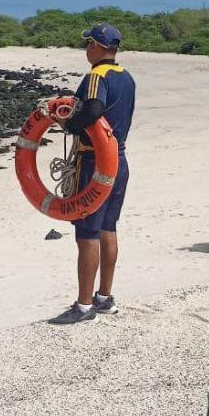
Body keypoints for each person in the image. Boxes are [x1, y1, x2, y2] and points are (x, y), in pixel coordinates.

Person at [49, 24, 136, 325]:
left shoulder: (97, 76)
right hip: (119, 161)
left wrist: (71, 126)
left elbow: (94, 108)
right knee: (108, 228)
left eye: (88, 44)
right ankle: (104, 298)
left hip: (95, 163)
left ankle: (84, 306)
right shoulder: (127, 77)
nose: (86, 49)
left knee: (87, 234)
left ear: (99, 47)